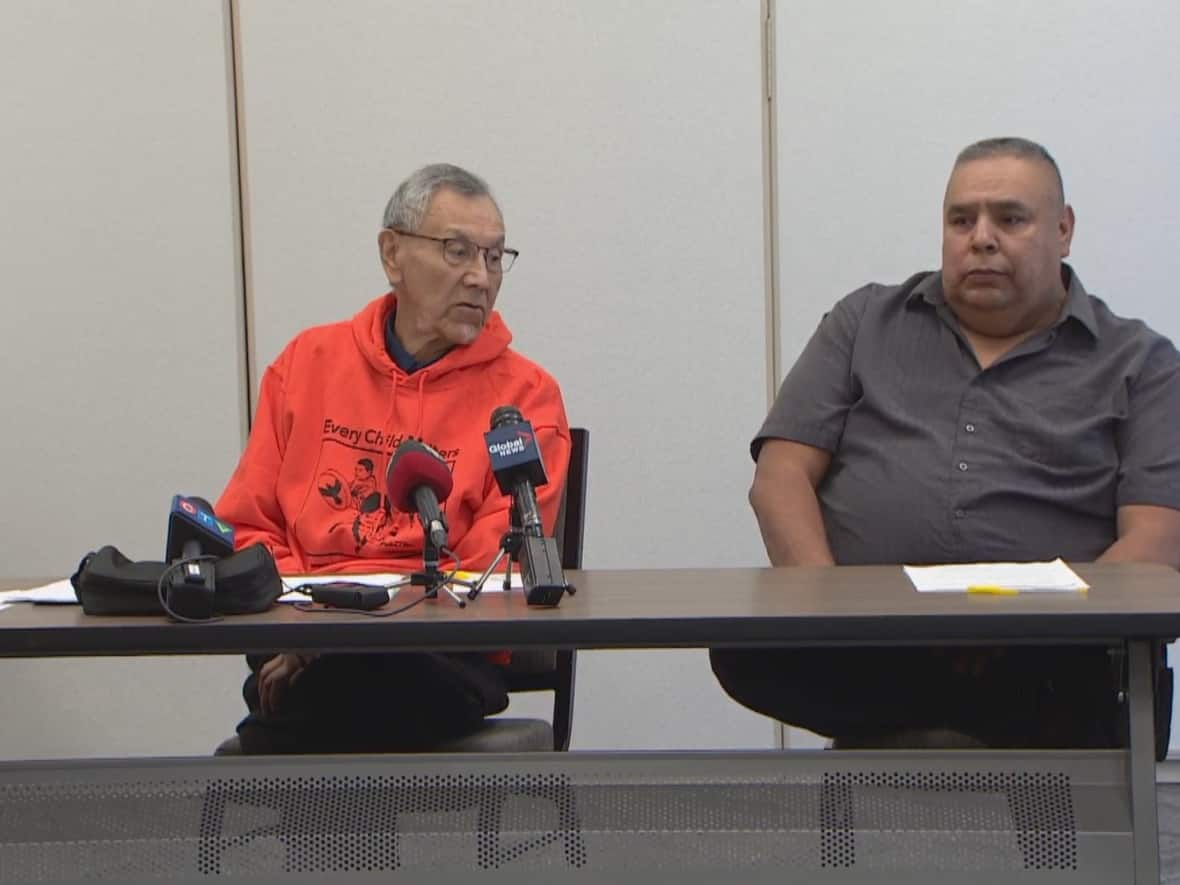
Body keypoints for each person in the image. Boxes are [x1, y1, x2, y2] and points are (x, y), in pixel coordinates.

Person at [711, 137, 1180, 749]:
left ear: (1063, 230)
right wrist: (837, 611)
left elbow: (1156, 540)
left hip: (1051, 654)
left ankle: (931, 744)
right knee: (743, 648)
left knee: (1073, 682)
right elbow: (779, 479)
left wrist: (1018, 628)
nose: (980, 238)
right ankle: (943, 739)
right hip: (868, 644)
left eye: (1010, 219)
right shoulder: (864, 323)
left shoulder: (1140, 362)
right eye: (962, 219)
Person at [216, 163, 571, 753]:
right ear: (392, 254)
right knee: (345, 689)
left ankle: (283, 755)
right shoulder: (307, 365)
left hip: (439, 654)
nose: (480, 278)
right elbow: (249, 528)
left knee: (357, 687)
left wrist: (324, 649)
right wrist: (306, 634)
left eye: (493, 257)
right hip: (297, 637)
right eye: (458, 251)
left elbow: (490, 572)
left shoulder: (525, 399)